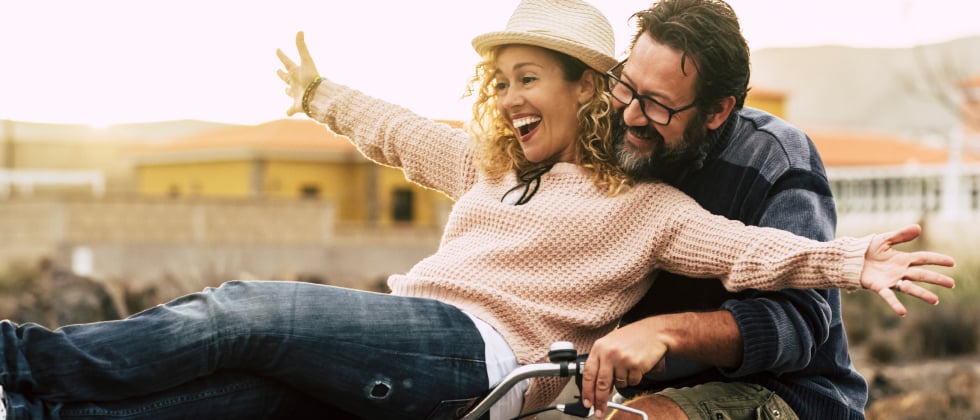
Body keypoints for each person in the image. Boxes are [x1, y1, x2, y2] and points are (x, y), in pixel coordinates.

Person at [0, 0, 954, 419]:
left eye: (529, 78)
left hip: (482, 352)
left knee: (245, 307)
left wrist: (851, 260)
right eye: (498, 83)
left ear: (587, 88)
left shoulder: (652, 202)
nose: (507, 99)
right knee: (242, 397)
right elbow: (396, 131)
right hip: (415, 331)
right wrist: (319, 93)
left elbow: (751, 252)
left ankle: (18, 357)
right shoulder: (491, 165)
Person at [578, 0, 921, 419]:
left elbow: (798, 326)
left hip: (789, 396)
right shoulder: (611, 144)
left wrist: (666, 332)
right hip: (655, 395)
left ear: (717, 110)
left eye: (658, 104)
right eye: (626, 86)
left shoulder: (778, 157)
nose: (631, 114)